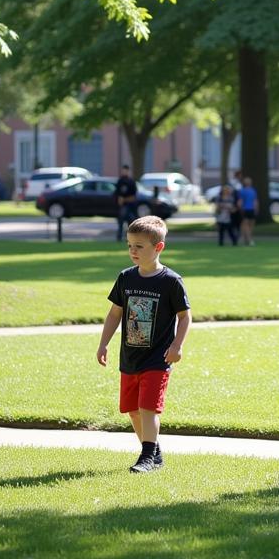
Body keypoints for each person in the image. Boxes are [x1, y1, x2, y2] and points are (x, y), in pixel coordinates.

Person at [96, 216, 191, 474]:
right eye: (129, 245)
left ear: (158, 247)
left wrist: (177, 346)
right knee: (133, 411)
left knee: (147, 408)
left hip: (157, 358)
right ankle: (154, 452)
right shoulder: (126, 278)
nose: (132, 251)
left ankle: (147, 457)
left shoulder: (170, 281)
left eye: (139, 246)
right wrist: (103, 344)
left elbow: (185, 317)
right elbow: (115, 313)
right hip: (129, 357)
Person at [114, 164, 138, 241]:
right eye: (124, 170)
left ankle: (130, 238)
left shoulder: (131, 182)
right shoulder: (120, 181)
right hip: (122, 206)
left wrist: (124, 200)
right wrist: (119, 200)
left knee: (130, 222)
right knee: (120, 222)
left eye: (126, 170)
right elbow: (117, 194)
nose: (125, 172)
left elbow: (133, 197)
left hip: (130, 206)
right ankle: (119, 237)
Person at [237, 175, 258, 246]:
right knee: (249, 225)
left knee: (245, 225)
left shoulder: (242, 191)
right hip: (251, 209)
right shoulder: (253, 191)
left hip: (245, 209)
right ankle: (248, 239)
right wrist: (256, 209)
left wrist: (240, 209)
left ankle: (246, 239)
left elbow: (240, 202)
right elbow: (255, 201)